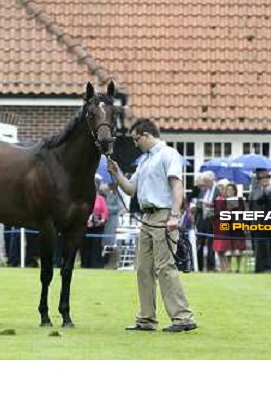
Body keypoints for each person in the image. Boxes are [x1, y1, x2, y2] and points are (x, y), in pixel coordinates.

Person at [107, 118, 197, 332]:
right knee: (143, 269)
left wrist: (174, 216)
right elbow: (130, 189)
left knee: (165, 267)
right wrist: (116, 173)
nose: (135, 144)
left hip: (164, 215)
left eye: (136, 139)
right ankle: (146, 319)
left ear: (146, 135)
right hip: (147, 217)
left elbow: (177, 186)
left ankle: (183, 317)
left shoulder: (169, 155)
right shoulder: (145, 160)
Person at [80, 175, 109, 268]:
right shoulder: (84, 197)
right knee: (85, 245)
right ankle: (85, 263)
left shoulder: (101, 199)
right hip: (86, 225)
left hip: (97, 226)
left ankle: (95, 264)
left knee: (96, 246)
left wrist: (102, 220)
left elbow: (104, 211)